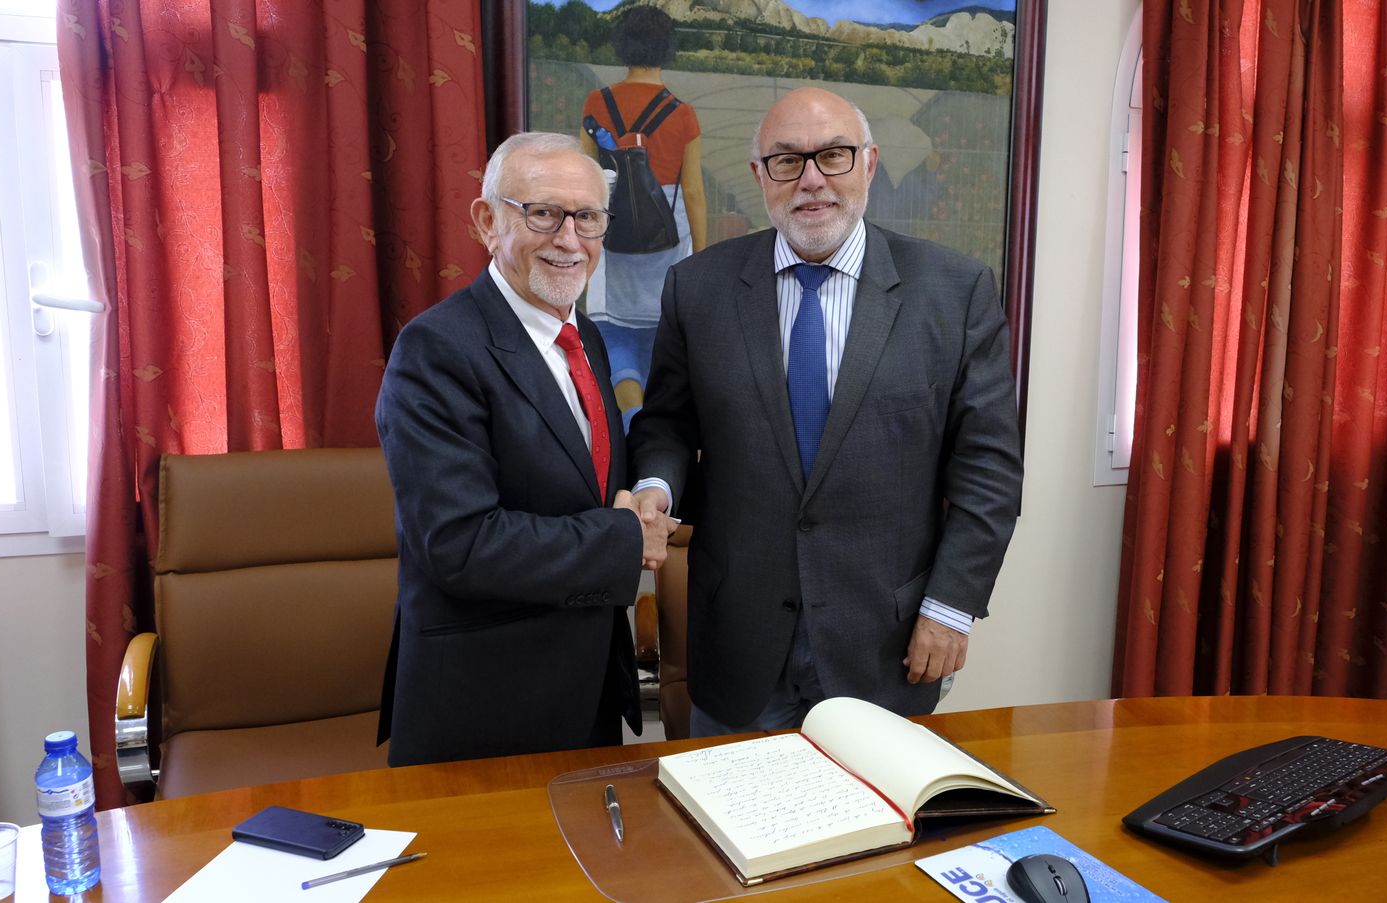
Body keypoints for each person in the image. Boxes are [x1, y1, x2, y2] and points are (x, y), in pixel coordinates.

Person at [628, 87, 1022, 736]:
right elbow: (667, 422)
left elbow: (990, 470)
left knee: (879, 808)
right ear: (760, 175)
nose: (812, 179)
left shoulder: (954, 291)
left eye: (833, 155)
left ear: (869, 163)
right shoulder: (698, 288)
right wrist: (655, 486)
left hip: (888, 644)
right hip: (737, 644)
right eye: (787, 160)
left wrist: (951, 606)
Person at [375, 131, 676, 766]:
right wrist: (625, 537)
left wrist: (646, 496)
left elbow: (589, 481)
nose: (569, 239)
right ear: (487, 222)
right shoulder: (437, 350)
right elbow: (460, 544)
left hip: (587, 688)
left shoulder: (585, 336)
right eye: (543, 213)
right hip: (484, 706)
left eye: (588, 218)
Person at [580, 5, 707, 427]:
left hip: (611, 234)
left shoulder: (597, 103)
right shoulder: (683, 114)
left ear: (622, 45)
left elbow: (586, 180)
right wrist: (701, 256)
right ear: (668, 48)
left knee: (615, 334)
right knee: (660, 335)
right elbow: (693, 192)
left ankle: (631, 422)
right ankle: (656, 433)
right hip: (667, 239)